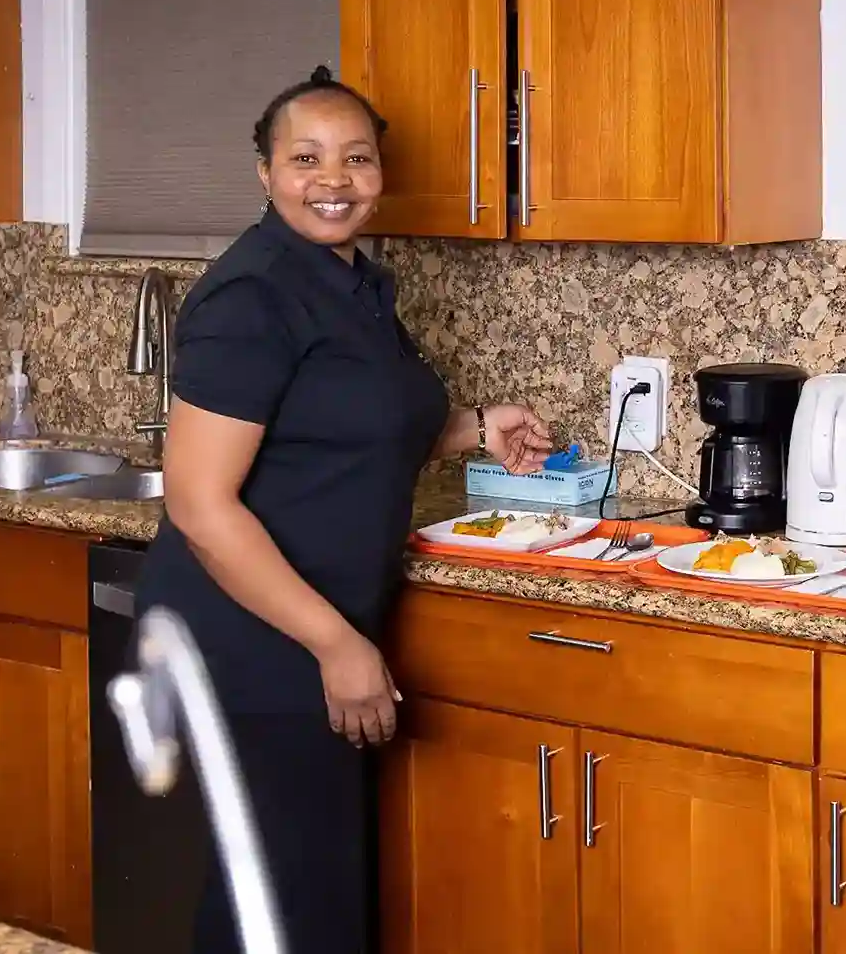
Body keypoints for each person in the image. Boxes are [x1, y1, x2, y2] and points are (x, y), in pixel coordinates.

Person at [137, 65, 553, 953]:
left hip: (309, 619)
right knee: (285, 901)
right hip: (251, 636)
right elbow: (200, 504)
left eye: (356, 159)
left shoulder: (351, 281)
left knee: (297, 888)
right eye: (307, 158)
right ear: (264, 171)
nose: (335, 180)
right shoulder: (252, 297)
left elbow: (350, 423)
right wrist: (337, 645)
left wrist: (476, 426)